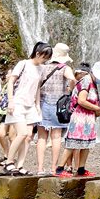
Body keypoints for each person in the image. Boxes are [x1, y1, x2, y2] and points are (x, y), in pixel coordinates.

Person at [4, 42, 50, 175]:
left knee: (28, 136)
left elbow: (37, 88)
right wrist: (11, 101)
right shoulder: (23, 64)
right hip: (18, 102)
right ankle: (9, 162)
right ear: (37, 53)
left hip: (30, 106)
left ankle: (20, 165)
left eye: (47, 57)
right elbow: (11, 82)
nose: (45, 59)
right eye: (44, 56)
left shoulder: (42, 69)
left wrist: (37, 106)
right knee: (22, 133)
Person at [64, 62, 100, 177]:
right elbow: (81, 100)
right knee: (73, 142)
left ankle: (80, 169)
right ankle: (62, 169)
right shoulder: (86, 81)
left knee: (85, 144)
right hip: (80, 116)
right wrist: (96, 108)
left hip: (88, 117)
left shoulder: (92, 82)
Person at [35, 43, 75, 176]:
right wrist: (69, 90)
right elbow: (72, 79)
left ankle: (40, 168)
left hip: (41, 103)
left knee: (41, 137)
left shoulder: (43, 67)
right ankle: (53, 168)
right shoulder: (64, 68)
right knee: (56, 137)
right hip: (57, 104)